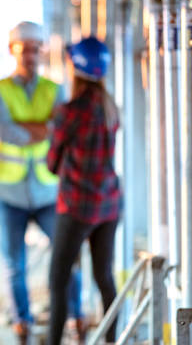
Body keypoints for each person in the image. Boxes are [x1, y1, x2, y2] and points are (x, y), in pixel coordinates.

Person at [0, 21, 84, 343]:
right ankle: (22, 322)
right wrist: (41, 127)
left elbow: (59, 129)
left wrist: (27, 126)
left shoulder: (55, 90)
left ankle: (75, 315)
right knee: (14, 264)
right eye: (23, 48)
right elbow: (5, 133)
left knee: (68, 256)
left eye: (34, 48)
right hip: (8, 190)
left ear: (42, 50)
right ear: (12, 50)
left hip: (46, 189)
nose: (30, 54)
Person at [47, 37, 122, 344]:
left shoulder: (69, 111)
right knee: (104, 277)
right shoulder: (110, 107)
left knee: (58, 279)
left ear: (75, 69)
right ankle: (111, 340)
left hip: (77, 205)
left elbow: (52, 163)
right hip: (109, 205)